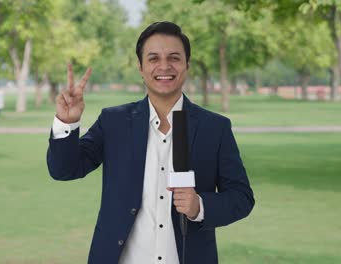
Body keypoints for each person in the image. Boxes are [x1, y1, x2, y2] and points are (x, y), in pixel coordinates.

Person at [47, 21, 255, 264]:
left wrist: (199, 206)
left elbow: (242, 198)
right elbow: (64, 170)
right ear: (141, 66)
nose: (164, 66)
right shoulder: (114, 121)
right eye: (153, 58)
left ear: (187, 64)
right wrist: (66, 122)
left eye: (174, 58)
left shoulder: (215, 127)